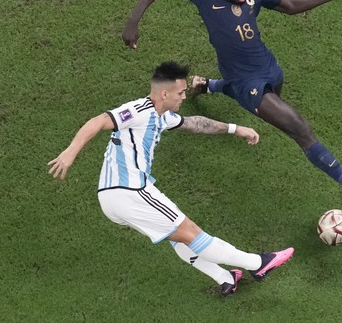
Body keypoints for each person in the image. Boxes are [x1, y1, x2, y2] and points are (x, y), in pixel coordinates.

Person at [122, 0, 342, 206]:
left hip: (270, 69)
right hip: (245, 82)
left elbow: (290, 5)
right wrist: (133, 22)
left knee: (277, 105)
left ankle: (209, 85)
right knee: (298, 128)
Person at [48, 61, 293, 296]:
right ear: (164, 94)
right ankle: (257, 264)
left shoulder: (163, 116)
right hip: (129, 191)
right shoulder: (139, 109)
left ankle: (226, 278)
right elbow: (100, 120)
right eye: (180, 92)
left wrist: (235, 129)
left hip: (118, 196)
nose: (184, 96)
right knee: (191, 232)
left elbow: (196, 124)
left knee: (176, 238)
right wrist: (69, 154)